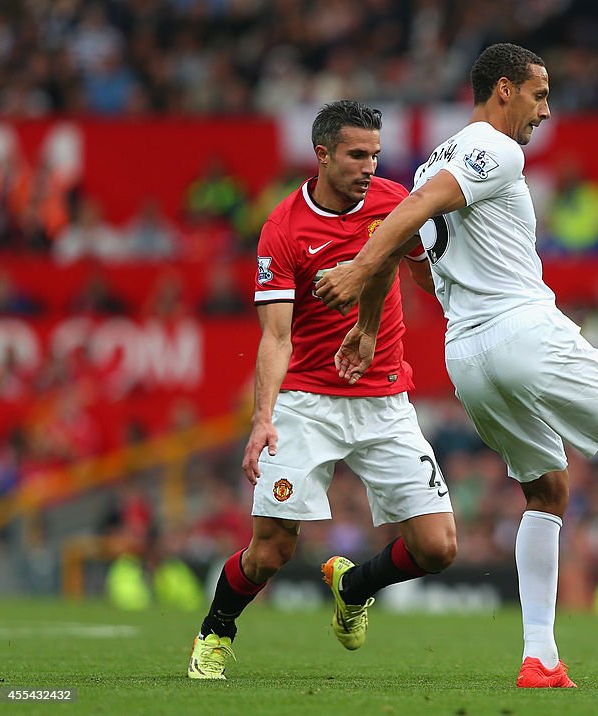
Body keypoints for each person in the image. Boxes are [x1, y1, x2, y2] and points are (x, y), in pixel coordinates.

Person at [313, 44, 598, 688]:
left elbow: (404, 237)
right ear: (503, 89)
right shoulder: (494, 148)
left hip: (469, 356)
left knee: (547, 490)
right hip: (524, 331)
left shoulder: (433, 160)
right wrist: (363, 267)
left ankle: (540, 657)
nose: (545, 110)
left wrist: (370, 324)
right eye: (539, 95)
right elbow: (414, 215)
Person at [187, 100, 456, 681]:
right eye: (357, 155)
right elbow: (275, 337)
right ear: (323, 154)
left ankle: (354, 585)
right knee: (271, 553)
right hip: (307, 402)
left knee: (438, 547)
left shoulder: (393, 203)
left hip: (385, 397)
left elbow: (418, 273)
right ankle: (216, 631)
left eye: (375, 154)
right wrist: (263, 418)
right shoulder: (282, 229)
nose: (369, 166)